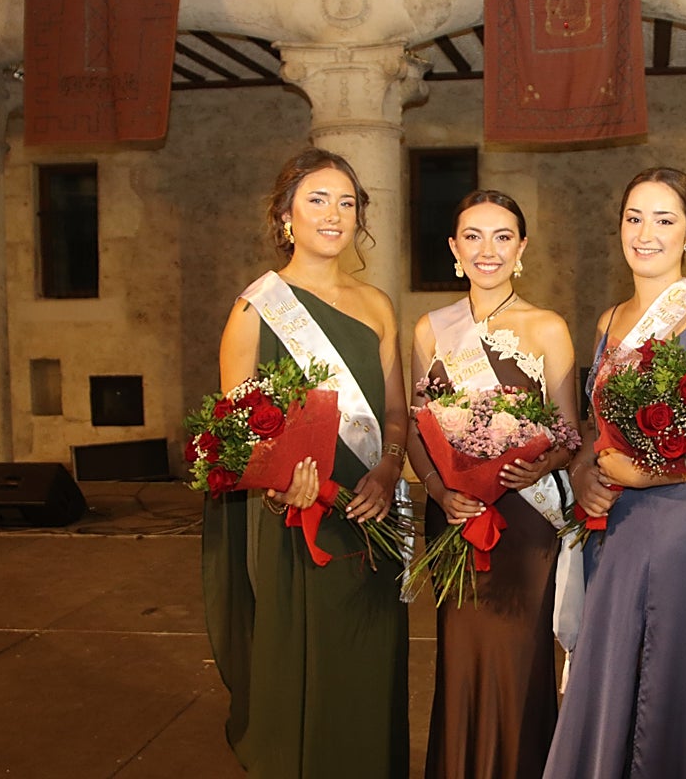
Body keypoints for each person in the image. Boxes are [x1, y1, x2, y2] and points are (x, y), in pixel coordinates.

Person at [543, 168, 686, 779]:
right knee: (615, 670)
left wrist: (645, 476)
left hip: (680, 527)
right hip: (613, 529)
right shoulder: (607, 321)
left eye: (664, 220)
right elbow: (594, 428)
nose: (646, 233)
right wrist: (587, 466)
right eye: (634, 218)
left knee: (676, 676)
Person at [203, 147, 409, 778]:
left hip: (370, 511)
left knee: (368, 659)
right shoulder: (257, 308)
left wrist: (387, 470)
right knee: (303, 658)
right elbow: (236, 438)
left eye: (347, 202)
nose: (334, 214)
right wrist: (275, 487)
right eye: (317, 200)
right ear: (286, 215)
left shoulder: (376, 305)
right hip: (294, 520)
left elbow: (395, 418)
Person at [407, 190, 580, 779]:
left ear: (522, 248)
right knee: (460, 662)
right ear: (454, 248)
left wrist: (539, 463)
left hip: (524, 523)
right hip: (454, 518)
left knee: (521, 658)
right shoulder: (430, 330)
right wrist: (438, 488)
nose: (488, 249)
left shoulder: (548, 327)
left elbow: (568, 433)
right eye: (473, 236)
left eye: (503, 236)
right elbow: (414, 430)